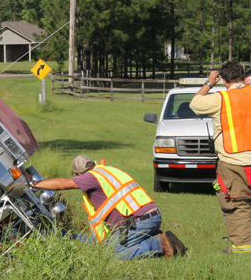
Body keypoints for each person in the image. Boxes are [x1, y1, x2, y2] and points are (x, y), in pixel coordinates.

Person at [30, 155, 186, 260]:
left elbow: (63, 184)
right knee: (96, 243)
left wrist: (34, 184)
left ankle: (159, 244)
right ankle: (61, 235)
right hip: (150, 216)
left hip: (139, 221)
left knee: (110, 253)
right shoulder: (105, 171)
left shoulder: (90, 178)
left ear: (79, 175)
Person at [190, 61, 251, 254]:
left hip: (232, 161)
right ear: (243, 76)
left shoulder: (220, 98)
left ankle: (242, 246)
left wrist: (209, 83)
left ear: (223, 80)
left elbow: (195, 104)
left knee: (236, 201)